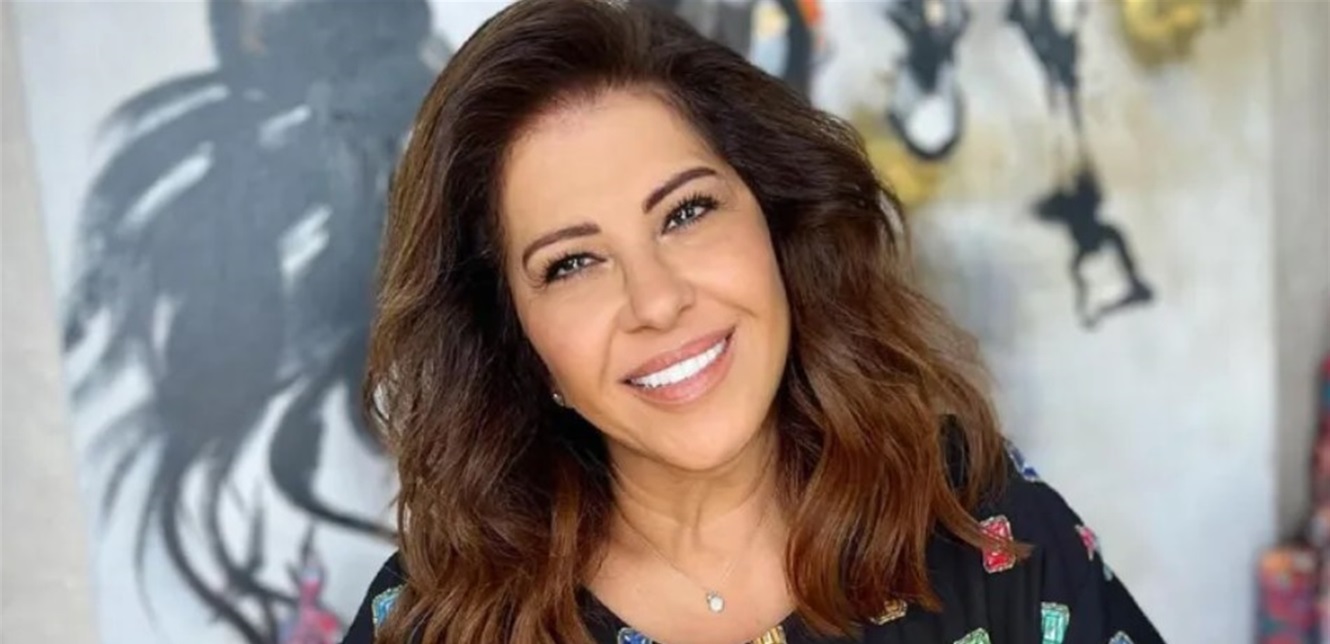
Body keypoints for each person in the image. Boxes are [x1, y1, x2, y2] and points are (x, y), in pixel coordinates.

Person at [343, 0, 1165, 642]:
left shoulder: (982, 527)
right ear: (516, 340)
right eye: (573, 263)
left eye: (685, 213)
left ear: (776, 223)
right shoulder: (432, 621)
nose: (657, 300)